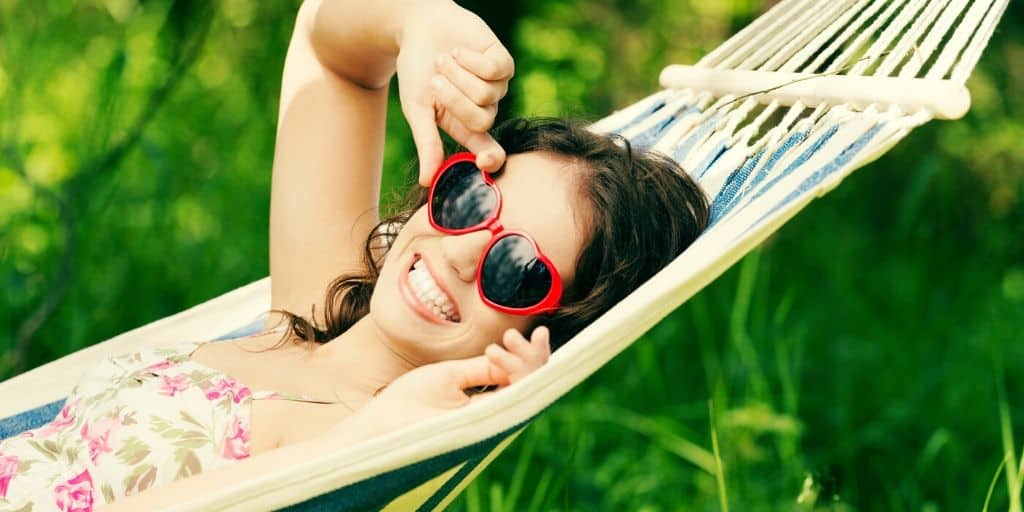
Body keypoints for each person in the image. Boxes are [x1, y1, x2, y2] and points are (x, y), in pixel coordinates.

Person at [0, 0, 708, 509]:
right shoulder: (312, 311)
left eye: (516, 268)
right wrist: (419, 21)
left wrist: (364, 442)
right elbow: (328, 51)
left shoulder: (365, 461)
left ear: (545, 336)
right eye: (471, 199)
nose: (462, 254)